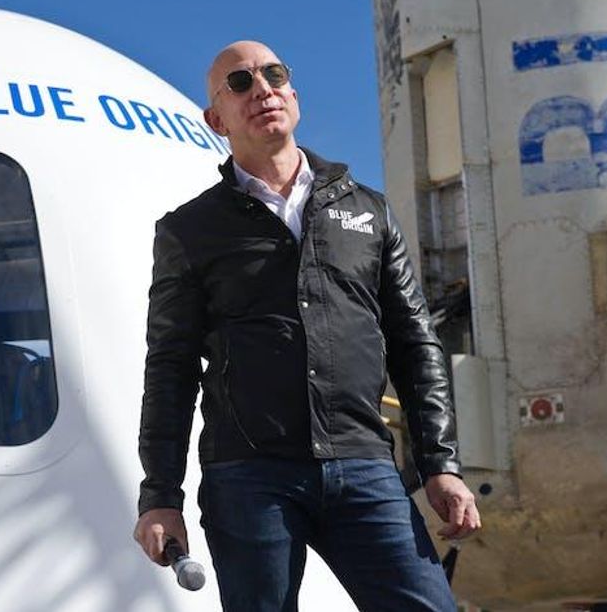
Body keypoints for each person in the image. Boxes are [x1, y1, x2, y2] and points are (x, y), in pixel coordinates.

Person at [133, 40, 481, 611]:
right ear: (217, 120)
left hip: (364, 464)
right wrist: (160, 496)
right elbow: (170, 369)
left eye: (273, 75)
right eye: (240, 82)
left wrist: (440, 464)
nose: (262, 89)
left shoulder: (367, 211)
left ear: (293, 94)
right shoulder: (190, 231)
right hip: (249, 477)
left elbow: (416, 343)